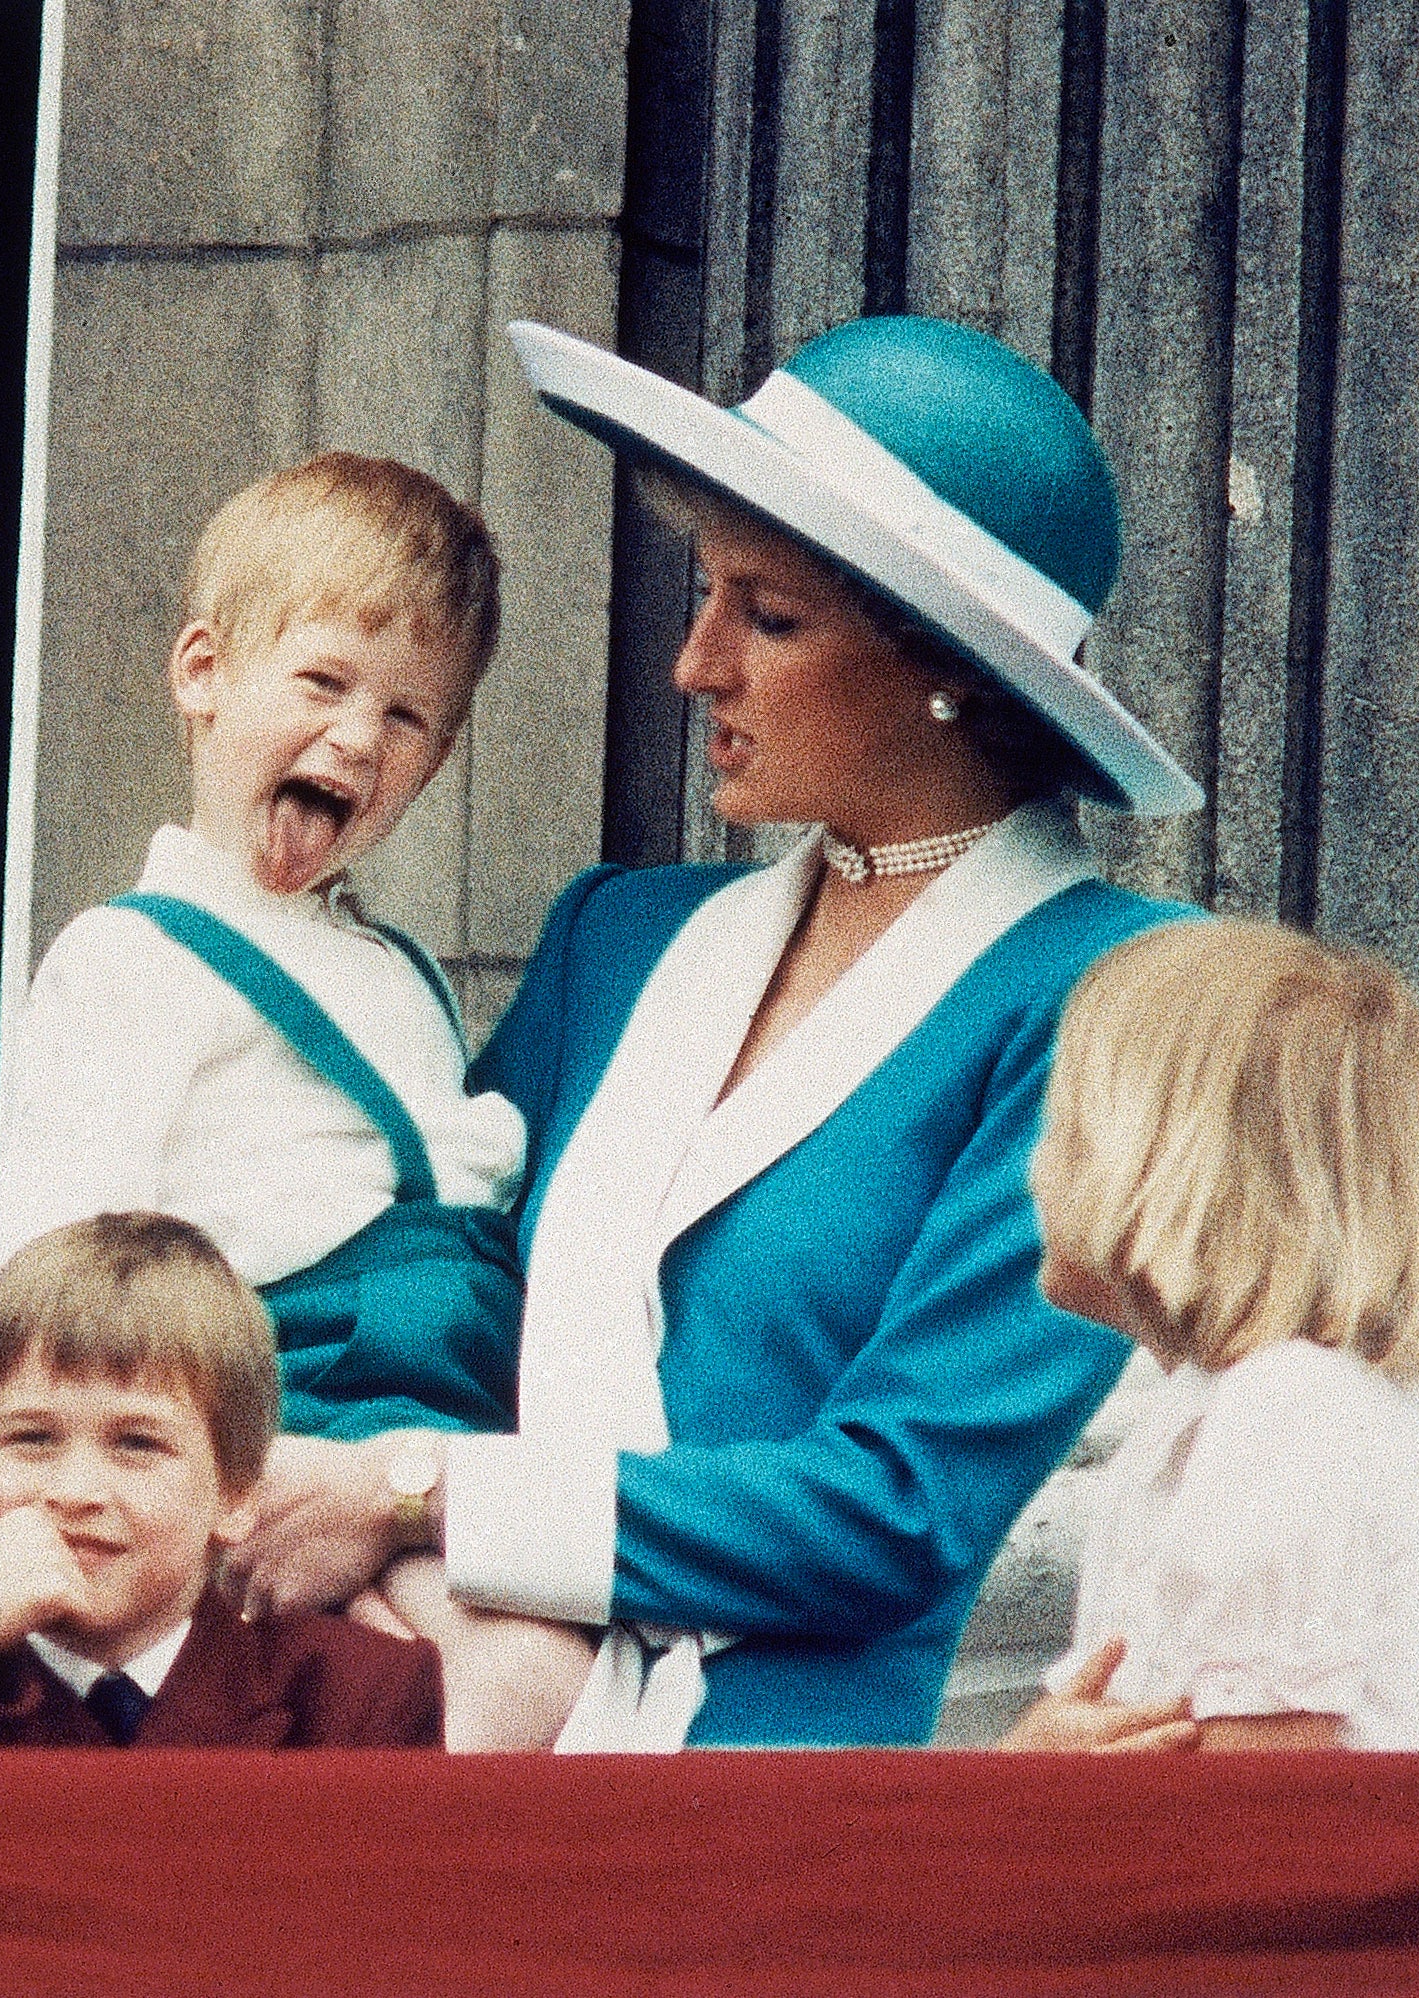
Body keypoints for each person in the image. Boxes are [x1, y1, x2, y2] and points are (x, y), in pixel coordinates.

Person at [225, 314, 1206, 1748]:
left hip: (767, 1828)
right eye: (706, 592)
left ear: (953, 667)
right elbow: (431, 1306)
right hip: (419, 1751)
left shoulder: (1112, 998)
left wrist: (415, 1491)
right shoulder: (616, 939)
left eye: (770, 613)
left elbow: (899, 1505)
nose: (694, 663)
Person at [0, 451, 527, 1446]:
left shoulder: (403, 975)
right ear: (203, 674)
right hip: (275, 1426)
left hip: (452, 1419)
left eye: (407, 716)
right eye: (324, 681)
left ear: (441, 757)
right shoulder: (129, 962)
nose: (361, 738)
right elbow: (51, 1279)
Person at [998, 918, 1419, 1753]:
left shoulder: (1293, 1414)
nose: (1034, 1167)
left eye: (1068, 1127)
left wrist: (1037, 1796)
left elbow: (1256, 1826)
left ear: (1172, 1164)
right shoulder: (1226, 1408)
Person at [0, 1213, 443, 1748]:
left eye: (136, 1443)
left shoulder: (361, 1696)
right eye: (32, 1439)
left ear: (237, 1494)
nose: (76, 1491)